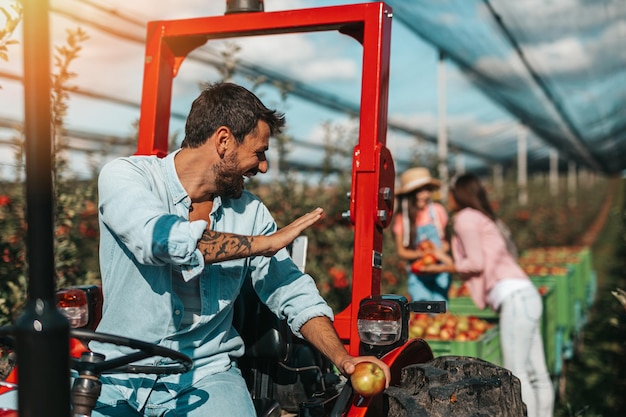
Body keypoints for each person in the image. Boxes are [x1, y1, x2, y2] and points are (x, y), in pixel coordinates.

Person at [90, 82, 390, 416]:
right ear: (223, 141)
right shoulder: (127, 176)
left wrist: (343, 358)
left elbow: (291, 291)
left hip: (204, 376)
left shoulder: (251, 213)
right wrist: (264, 245)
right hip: (118, 372)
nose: (263, 166)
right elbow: (159, 240)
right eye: (259, 152)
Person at [420, 172, 554, 417]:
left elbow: (475, 263)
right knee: (538, 373)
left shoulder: (464, 218)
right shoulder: (481, 217)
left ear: (457, 194)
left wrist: (440, 267)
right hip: (526, 295)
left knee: (517, 372)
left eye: (448, 193)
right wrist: (443, 259)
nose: (446, 199)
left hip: (515, 299)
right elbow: (475, 258)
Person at [391, 167, 453, 301]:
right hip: (418, 272)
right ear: (410, 194)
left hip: (440, 270)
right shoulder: (403, 218)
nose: (425, 195)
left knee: (439, 310)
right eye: (420, 191)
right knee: (421, 310)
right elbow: (401, 251)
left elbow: (447, 243)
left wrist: (436, 253)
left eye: (427, 190)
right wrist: (422, 255)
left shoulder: (437, 211)